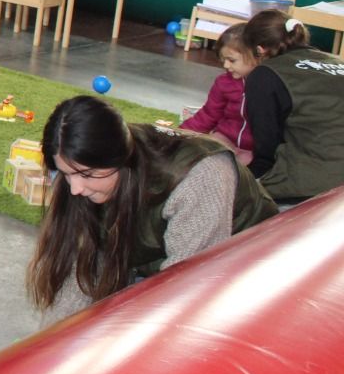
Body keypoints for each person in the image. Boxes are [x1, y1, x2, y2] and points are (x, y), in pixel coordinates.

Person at [28, 96, 277, 326]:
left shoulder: (200, 176)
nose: (75, 188)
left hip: (246, 267)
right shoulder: (86, 164)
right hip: (168, 255)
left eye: (87, 176)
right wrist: (46, 350)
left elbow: (187, 291)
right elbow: (80, 270)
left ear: (121, 161)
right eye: (67, 175)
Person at [241, 11, 344, 201]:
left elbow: (266, 154)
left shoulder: (266, 75)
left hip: (314, 187)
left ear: (259, 50)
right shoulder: (337, 62)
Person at [177, 22, 254, 165]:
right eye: (223, 60)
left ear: (256, 55)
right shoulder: (223, 82)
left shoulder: (269, 86)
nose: (226, 65)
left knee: (244, 171)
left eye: (232, 60)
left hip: (255, 149)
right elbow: (208, 114)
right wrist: (178, 134)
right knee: (202, 156)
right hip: (225, 138)